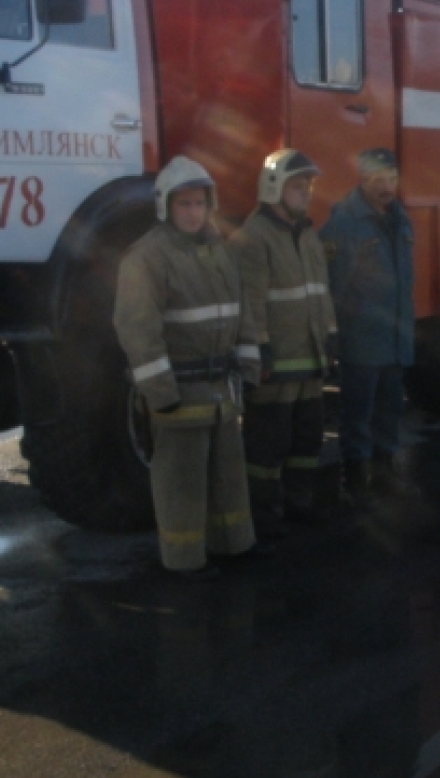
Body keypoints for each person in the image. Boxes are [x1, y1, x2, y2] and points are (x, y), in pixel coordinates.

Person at [115, 156, 265, 580]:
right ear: (165, 206)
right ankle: (183, 564)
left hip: (221, 391)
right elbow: (137, 330)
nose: (193, 212)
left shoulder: (221, 249)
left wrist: (249, 368)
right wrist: (161, 394)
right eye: (184, 204)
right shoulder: (147, 258)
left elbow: (243, 312)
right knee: (182, 484)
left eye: (199, 203)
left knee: (227, 478)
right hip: (181, 395)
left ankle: (234, 547)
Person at [233, 148, 338, 530]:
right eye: (297, 186)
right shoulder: (253, 239)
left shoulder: (308, 235)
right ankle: (264, 517)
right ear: (273, 187)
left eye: (307, 186)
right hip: (275, 368)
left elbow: (320, 291)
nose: (306, 193)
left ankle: (300, 504)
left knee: (307, 441)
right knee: (267, 447)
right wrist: (258, 350)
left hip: (309, 361)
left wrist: (330, 336)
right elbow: (251, 302)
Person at [321, 148, 415, 501]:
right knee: (358, 413)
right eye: (378, 180)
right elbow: (333, 284)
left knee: (390, 409)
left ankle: (385, 472)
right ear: (362, 180)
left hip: (394, 338)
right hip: (361, 338)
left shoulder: (399, 218)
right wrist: (335, 331)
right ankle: (356, 480)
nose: (386, 187)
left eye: (391, 178)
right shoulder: (344, 224)